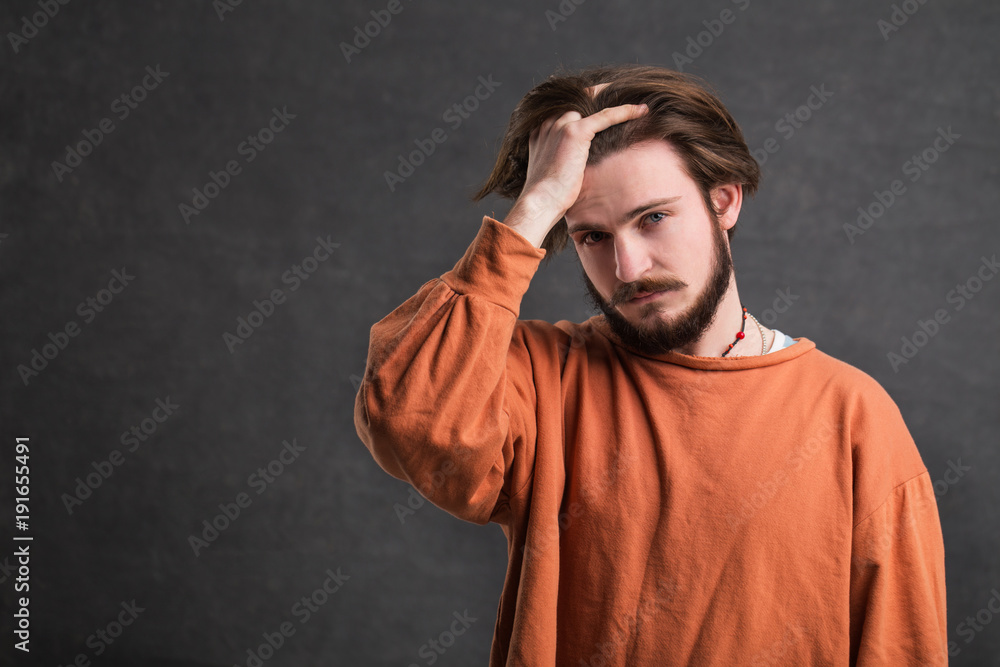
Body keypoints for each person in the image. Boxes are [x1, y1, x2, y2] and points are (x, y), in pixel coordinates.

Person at [354, 64, 948, 665]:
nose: (629, 268)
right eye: (591, 237)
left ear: (724, 201)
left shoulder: (853, 415)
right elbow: (406, 416)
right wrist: (533, 210)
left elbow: (903, 645)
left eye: (653, 218)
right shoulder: (540, 378)